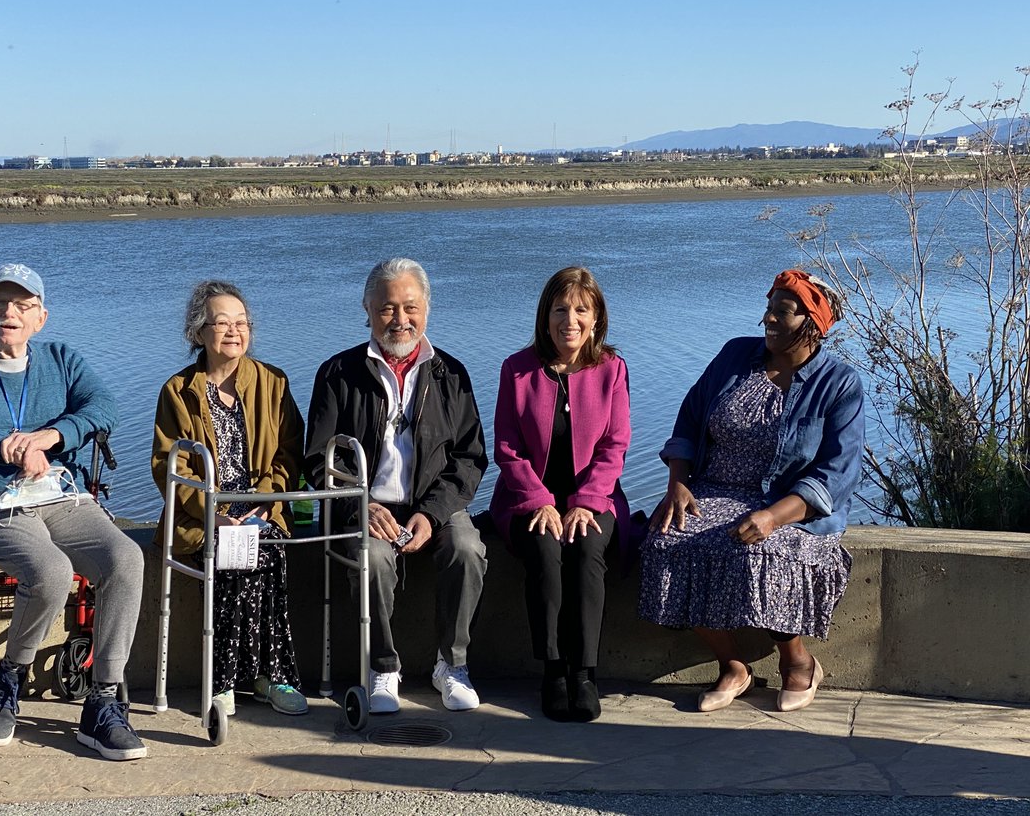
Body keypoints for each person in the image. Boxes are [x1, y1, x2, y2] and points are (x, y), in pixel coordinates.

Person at [0, 264, 146, 760]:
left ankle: (102, 703)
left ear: (41, 317)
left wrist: (51, 436)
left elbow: (104, 407)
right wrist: (4, 446)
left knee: (126, 558)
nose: (7, 313)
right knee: (52, 570)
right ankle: (9, 677)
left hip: (57, 495)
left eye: (21, 305)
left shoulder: (62, 360)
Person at [639, 269, 863, 713]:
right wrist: (679, 483)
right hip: (715, 488)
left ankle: (798, 661)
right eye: (769, 308)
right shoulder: (734, 356)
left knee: (759, 551)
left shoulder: (839, 384)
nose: (769, 319)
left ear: (813, 324)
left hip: (791, 506)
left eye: (783, 312)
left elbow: (838, 473)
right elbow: (688, 417)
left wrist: (773, 516)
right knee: (666, 542)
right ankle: (733, 666)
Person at [305, 257, 488, 714]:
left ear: (427, 309)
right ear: (367, 309)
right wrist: (360, 504)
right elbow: (317, 460)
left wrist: (432, 513)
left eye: (410, 307)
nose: (400, 320)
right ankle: (382, 667)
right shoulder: (337, 374)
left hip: (435, 506)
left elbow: (469, 459)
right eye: (388, 308)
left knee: (466, 548)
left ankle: (452, 664)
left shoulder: (452, 374)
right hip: (365, 506)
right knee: (372, 559)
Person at [152, 280, 308, 716]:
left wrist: (263, 502)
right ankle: (226, 680)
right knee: (234, 552)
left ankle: (272, 676)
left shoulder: (273, 382)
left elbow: (288, 454)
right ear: (198, 333)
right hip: (203, 517)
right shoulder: (177, 391)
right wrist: (215, 514)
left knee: (266, 551)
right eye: (221, 323)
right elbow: (170, 468)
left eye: (241, 323)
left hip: (262, 509)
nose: (233, 331)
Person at [489, 267, 631, 722]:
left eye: (581, 310)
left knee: (589, 547)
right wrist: (540, 501)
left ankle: (585, 673)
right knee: (545, 548)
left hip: (597, 496)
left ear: (596, 318)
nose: (570, 319)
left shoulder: (612, 369)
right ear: (545, 316)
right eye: (560, 309)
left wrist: (587, 501)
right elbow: (507, 448)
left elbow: (616, 444)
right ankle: (553, 670)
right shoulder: (517, 369)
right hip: (527, 496)